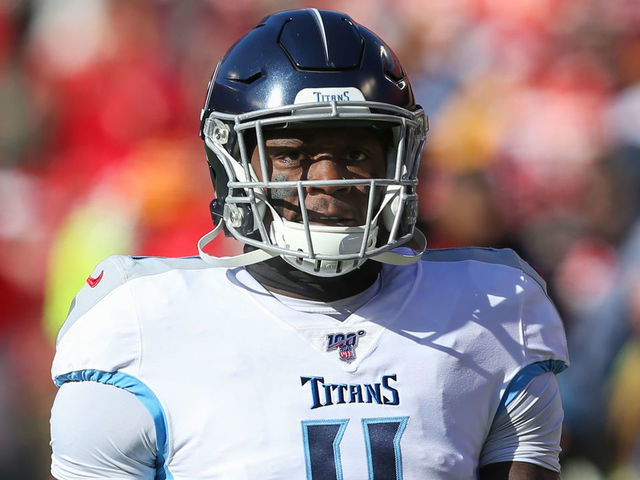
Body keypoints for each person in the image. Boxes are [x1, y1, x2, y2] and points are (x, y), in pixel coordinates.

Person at [49, 9, 569, 480]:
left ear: (399, 159)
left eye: (358, 154)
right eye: (292, 154)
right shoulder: (140, 328)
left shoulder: (493, 315)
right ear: (232, 163)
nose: (328, 179)